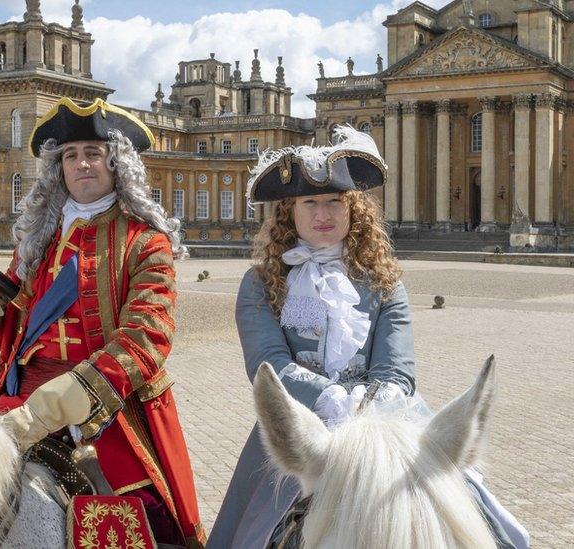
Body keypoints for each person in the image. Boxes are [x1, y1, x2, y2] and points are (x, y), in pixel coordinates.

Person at [207, 127, 527, 548]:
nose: (323, 213)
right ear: (290, 212)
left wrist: (373, 403)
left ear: (353, 208)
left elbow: (397, 367)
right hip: (304, 420)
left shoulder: (383, 281)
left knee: (484, 520)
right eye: (310, 202)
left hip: (386, 418)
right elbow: (268, 364)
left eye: (335, 202)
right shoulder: (261, 282)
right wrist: (329, 398)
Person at [0, 97, 206, 548]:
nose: (81, 163)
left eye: (92, 153)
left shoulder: (144, 240)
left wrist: (59, 405)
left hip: (109, 414)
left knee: (144, 527)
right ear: (58, 168)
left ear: (117, 164)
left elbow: (147, 339)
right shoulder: (38, 239)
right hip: (19, 403)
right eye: (69, 155)